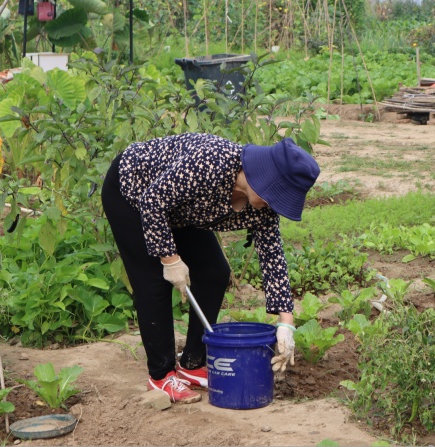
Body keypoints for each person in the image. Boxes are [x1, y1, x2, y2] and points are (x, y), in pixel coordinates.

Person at [101, 133, 320, 404]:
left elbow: (273, 257)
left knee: (214, 271)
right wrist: (170, 260)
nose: (274, 204)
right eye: (275, 196)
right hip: (133, 193)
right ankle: (161, 375)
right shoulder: (211, 163)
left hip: (180, 210)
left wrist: (286, 325)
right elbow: (153, 201)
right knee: (153, 280)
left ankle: (193, 363)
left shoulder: (263, 208)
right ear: (261, 177)